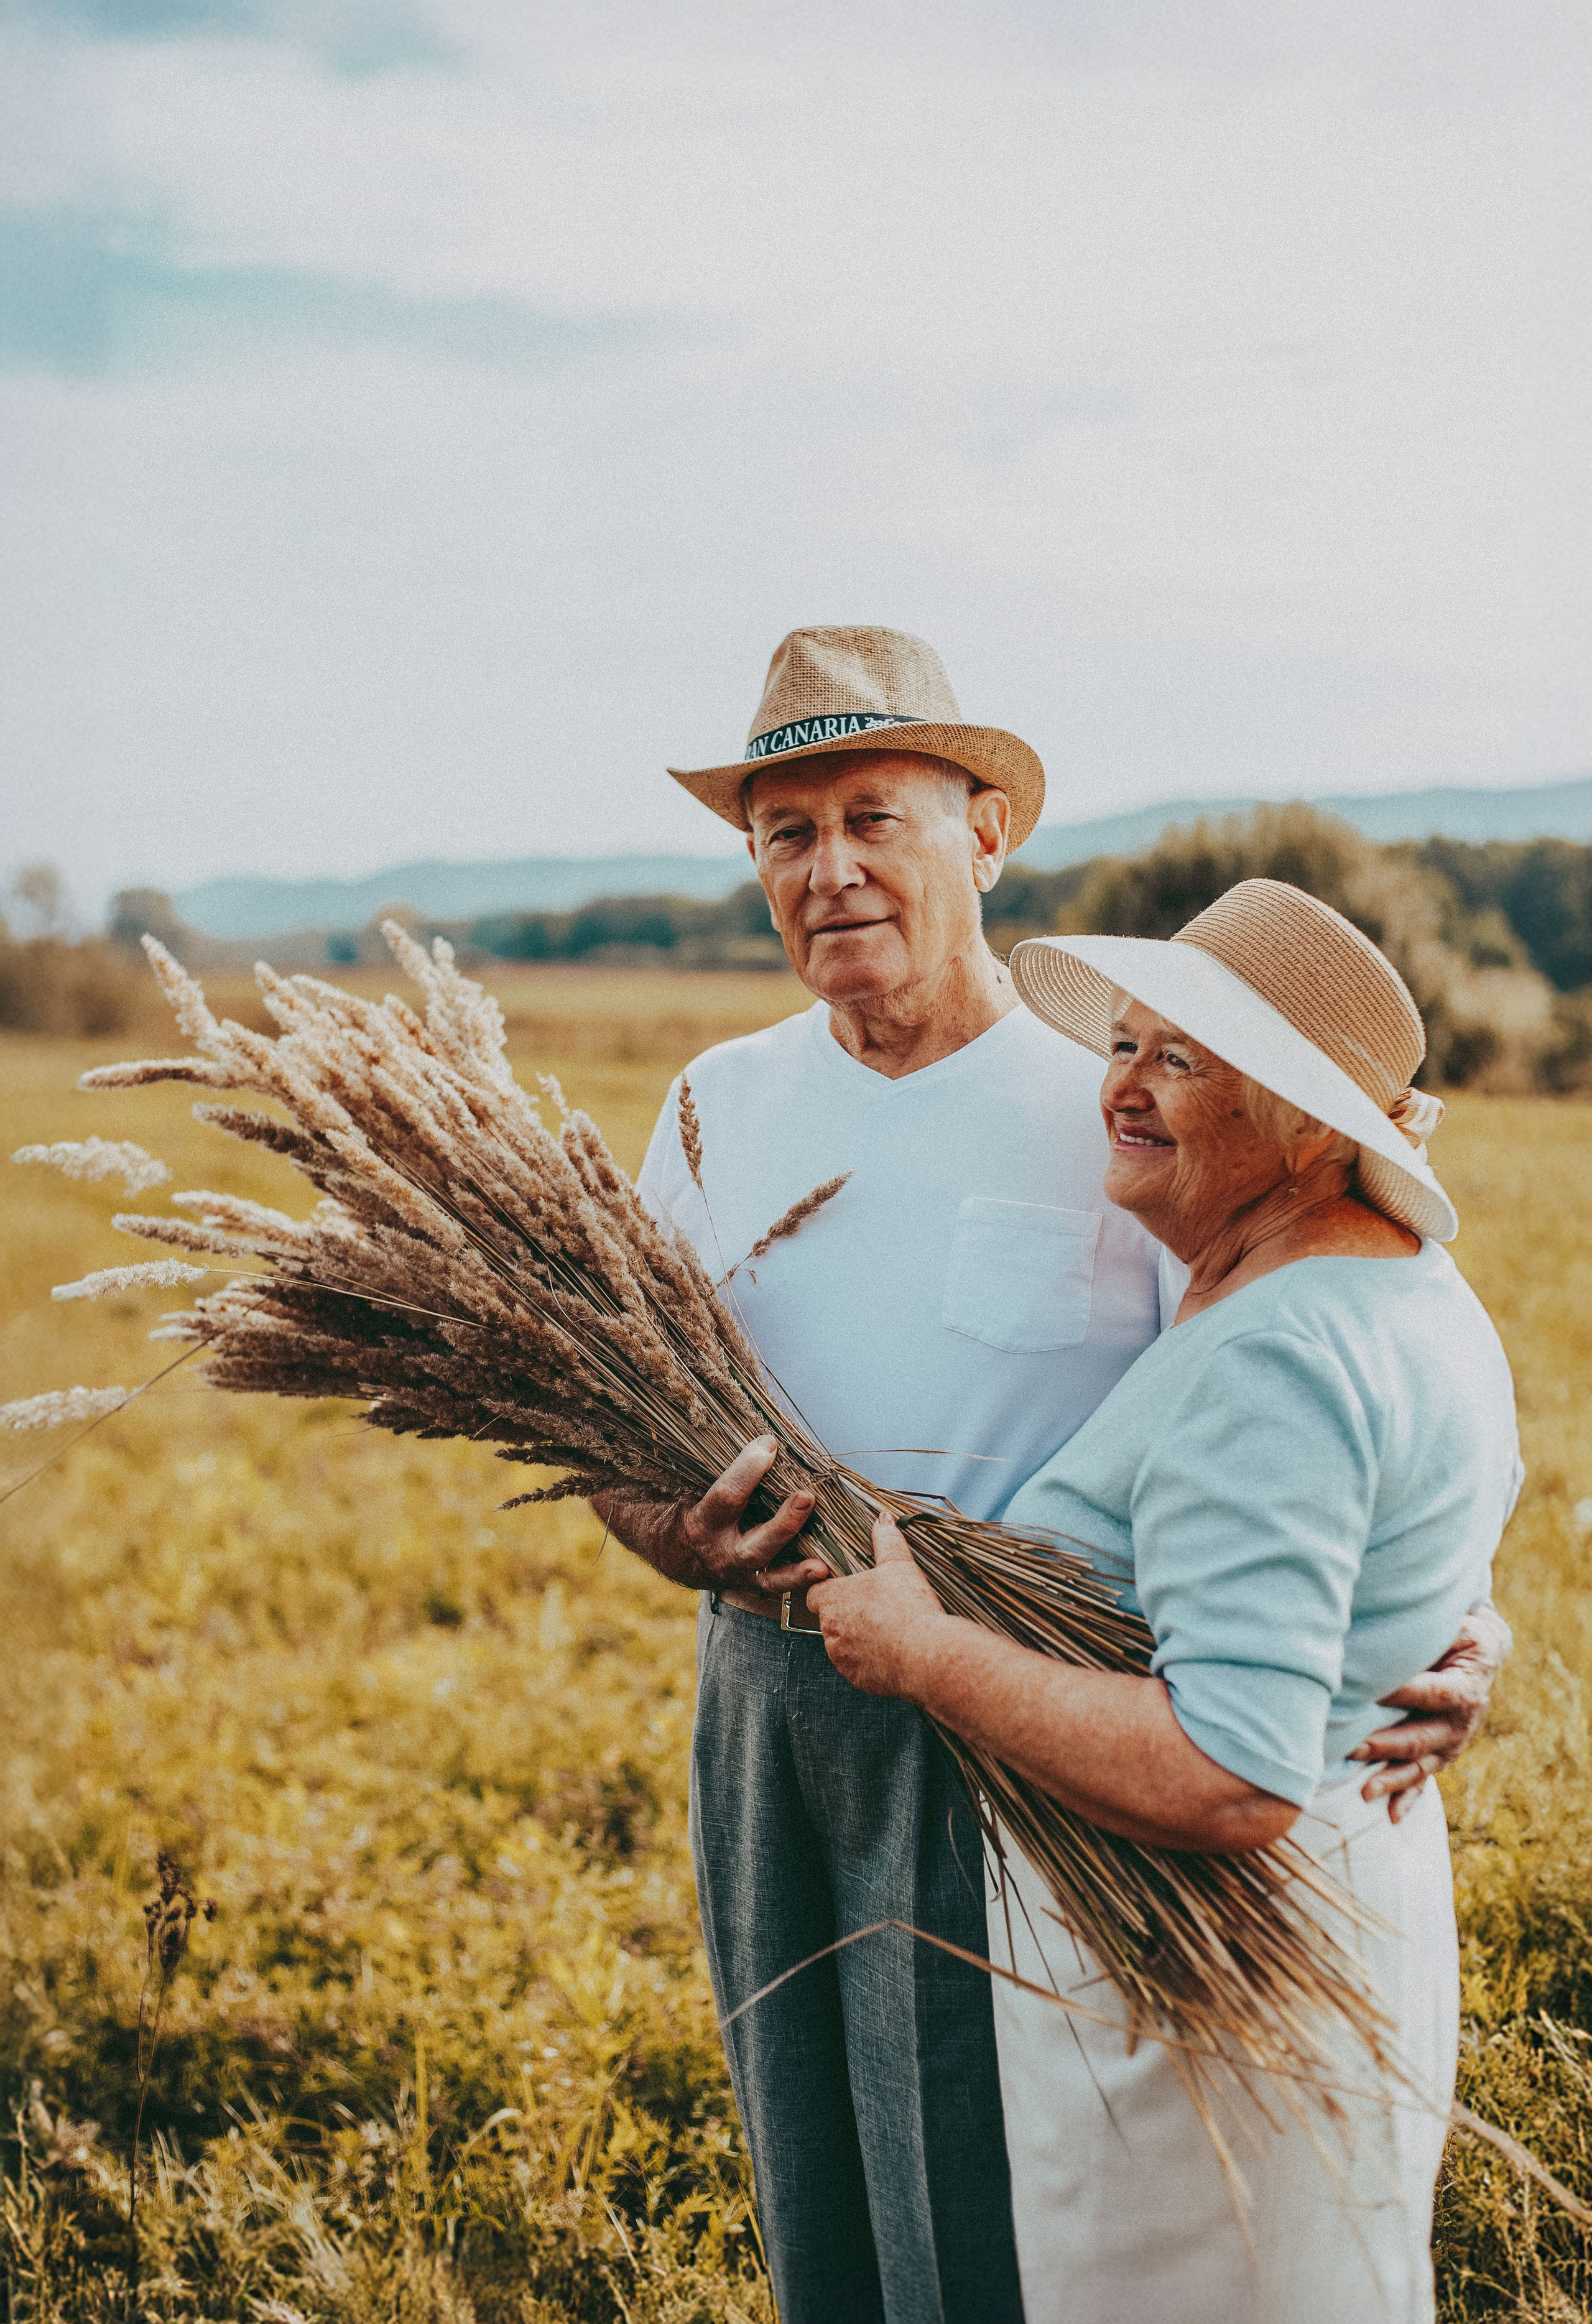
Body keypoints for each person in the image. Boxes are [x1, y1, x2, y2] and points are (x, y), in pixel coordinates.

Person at [597, 626, 1506, 2324]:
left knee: (1009, 2211)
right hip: (774, 1714)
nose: (834, 865)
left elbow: (1314, 1364)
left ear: (988, 828)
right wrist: (670, 1530)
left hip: (1032, 1723)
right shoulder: (715, 1104)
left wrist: (1452, 1621)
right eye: (789, 832)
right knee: (816, 2172)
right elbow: (612, 1431)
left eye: (878, 813)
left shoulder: (1127, 1107)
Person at [808, 877, 1523, 2323]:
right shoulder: (1396, 1286)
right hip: (1286, 1934)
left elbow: (1228, 1774)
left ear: (1312, 1125)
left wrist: (926, 1654)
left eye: (1176, 1061)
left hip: (1215, 1980)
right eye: (1122, 1046)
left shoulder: (1278, 1352)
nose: (1119, 1090)